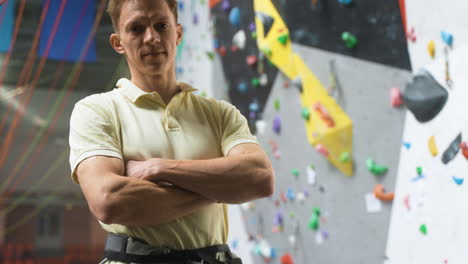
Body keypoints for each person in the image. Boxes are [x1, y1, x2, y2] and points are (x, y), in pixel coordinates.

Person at [68, 0, 275, 263]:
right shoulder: (97, 111)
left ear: (177, 33)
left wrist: (158, 169)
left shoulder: (221, 113)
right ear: (118, 42)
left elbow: (259, 178)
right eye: (136, 28)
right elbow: (108, 200)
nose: (151, 37)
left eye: (161, 25)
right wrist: (219, 187)